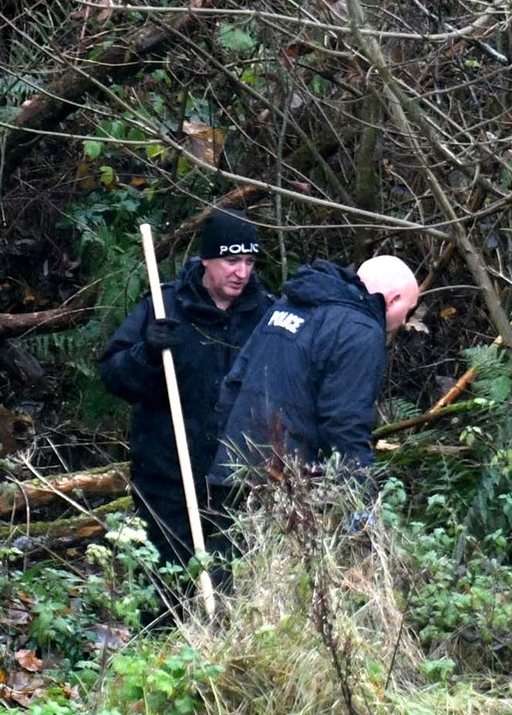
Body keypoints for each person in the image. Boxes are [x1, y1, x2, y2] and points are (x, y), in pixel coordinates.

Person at [99, 209, 272, 566]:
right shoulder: (164, 306)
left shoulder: (267, 315)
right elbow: (113, 376)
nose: (242, 272)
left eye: (249, 262)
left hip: (239, 480)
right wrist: (145, 351)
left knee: (233, 584)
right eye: (231, 260)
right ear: (207, 259)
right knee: (167, 586)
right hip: (167, 477)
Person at [210, 255, 419, 485]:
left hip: (233, 472)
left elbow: (233, 383)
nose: (403, 323)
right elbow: (346, 423)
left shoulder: (286, 306)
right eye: (407, 312)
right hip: (288, 487)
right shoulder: (361, 330)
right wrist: (361, 495)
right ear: (394, 299)